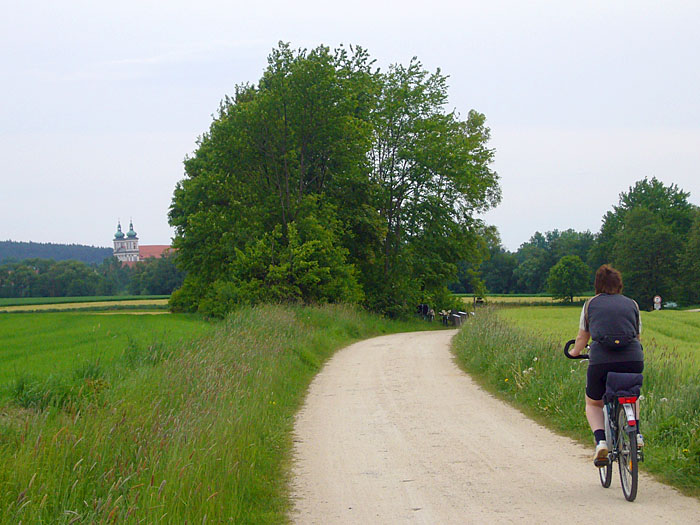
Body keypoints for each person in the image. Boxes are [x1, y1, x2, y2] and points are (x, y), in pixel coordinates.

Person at [569, 264, 644, 466]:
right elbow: (637, 336)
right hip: (633, 358)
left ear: (597, 285)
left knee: (593, 402)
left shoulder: (590, 305)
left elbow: (582, 336)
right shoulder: (632, 304)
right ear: (619, 284)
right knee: (631, 394)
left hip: (601, 360)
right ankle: (635, 433)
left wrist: (574, 352)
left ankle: (601, 441)